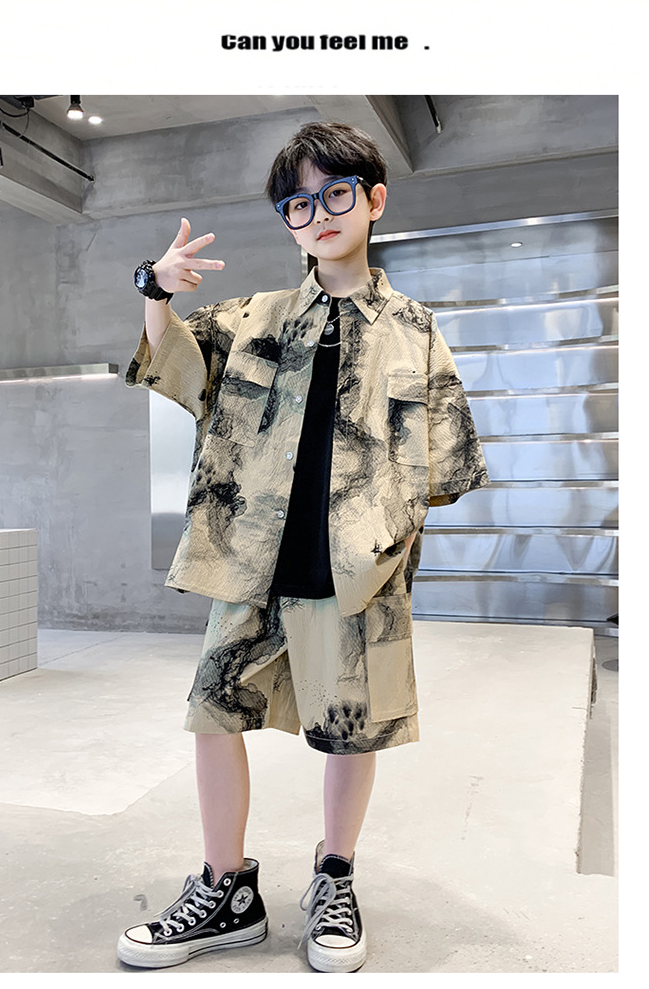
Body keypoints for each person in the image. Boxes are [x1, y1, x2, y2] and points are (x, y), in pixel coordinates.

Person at [117, 121, 489, 973]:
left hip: (357, 567)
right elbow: (172, 366)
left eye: (335, 194)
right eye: (297, 203)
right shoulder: (253, 317)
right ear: (286, 221)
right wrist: (154, 287)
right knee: (213, 713)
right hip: (251, 557)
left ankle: (335, 877)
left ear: (373, 200)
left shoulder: (415, 328)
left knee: (351, 731)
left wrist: (385, 535)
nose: (317, 214)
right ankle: (226, 888)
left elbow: (447, 462)